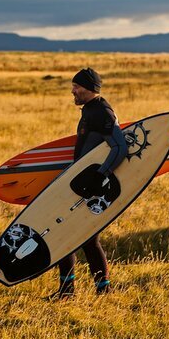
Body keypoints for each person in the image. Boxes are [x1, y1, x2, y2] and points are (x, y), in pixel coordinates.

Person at [52, 67, 127, 299]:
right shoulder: (90, 110)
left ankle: (72, 291)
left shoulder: (102, 111)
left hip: (93, 185)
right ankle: (92, 290)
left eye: (77, 87)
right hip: (83, 182)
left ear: (90, 88)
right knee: (84, 239)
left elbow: (119, 147)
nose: (72, 91)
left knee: (76, 236)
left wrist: (101, 175)